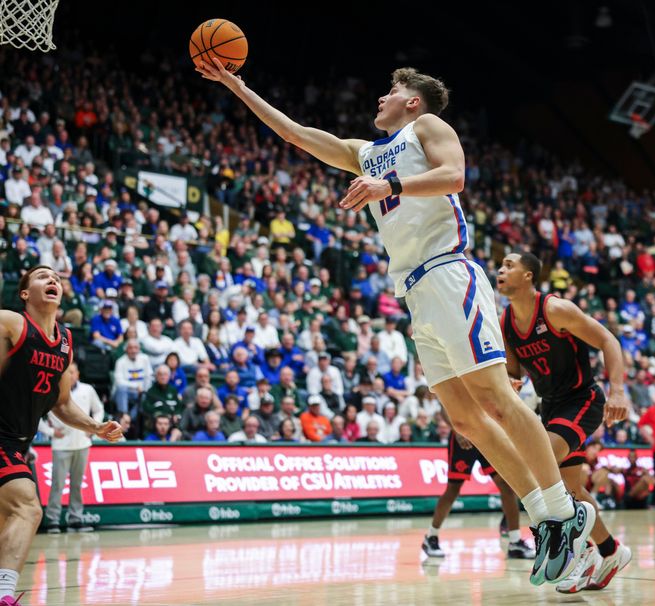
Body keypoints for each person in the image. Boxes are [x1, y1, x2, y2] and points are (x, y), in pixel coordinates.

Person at [198, 60, 596, 585]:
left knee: (497, 397)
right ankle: (545, 516)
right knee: (467, 420)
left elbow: (454, 176)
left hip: (450, 273)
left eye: (391, 91)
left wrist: (388, 185)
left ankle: (567, 511)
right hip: (414, 291)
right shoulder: (365, 152)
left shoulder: (426, 127)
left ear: (412, 101)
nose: (381, 98)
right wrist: (237, 86)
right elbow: (295, 134)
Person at [497, 251, 631, 593]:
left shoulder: (555, 309)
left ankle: (579, 551)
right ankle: (611, 551)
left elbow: (608, 340)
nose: (501, 269)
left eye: (510, 265)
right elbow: (514, 375)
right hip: (550, 407)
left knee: (540, 467)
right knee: (570, 489)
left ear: (528, 276)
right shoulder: (505, 323)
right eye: (501, 265)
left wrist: (618, 390)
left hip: (582, 399)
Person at [0, 266, 122, 604]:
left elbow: (62, 402)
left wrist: (97, 427)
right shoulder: (10, 323)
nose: (51, 280)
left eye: (55, 277)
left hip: (18, 443)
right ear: (25, 293)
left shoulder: (65, 343)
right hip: (1, 439)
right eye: (41, 276)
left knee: (9, 527)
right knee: (28, 508)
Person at [422, 414, 534, 560]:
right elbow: (445, 406)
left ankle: (514, 541)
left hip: (486, 436)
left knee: (506, 485)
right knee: (453, 489)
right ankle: (431, 536)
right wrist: (456, 429)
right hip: (464, 434)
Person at [39, 362, 104, 533]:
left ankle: (75, 519)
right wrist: (50, 432)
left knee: (77, 484)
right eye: (67, 372)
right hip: (61, 445)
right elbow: (37, 415)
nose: (70, 375)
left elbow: (99, 409)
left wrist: (94, 428)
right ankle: (53, 519)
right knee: (57, 484)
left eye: (73, 372)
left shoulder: (88, 390)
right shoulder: (54, 390)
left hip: (83, 444)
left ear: (78, 374)